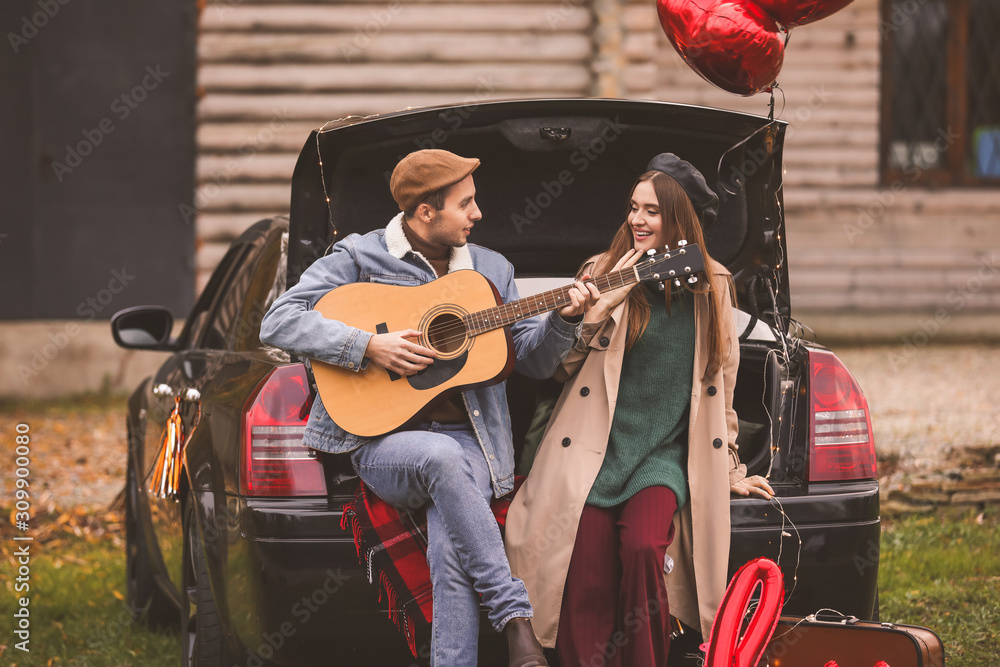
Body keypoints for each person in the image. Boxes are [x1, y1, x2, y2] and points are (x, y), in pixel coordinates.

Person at [258, 149, 597, 667]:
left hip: (476, 444)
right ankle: (515, 619)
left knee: (450, 549)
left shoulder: (491, 269)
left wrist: (564, 322)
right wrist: (366, 346)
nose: (478, 214)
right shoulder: (358, 257)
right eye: (465, 205)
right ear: (424, 212)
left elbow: (528, 359)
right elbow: (278, 322)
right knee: (439, 457)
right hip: (379, 441)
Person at [504, 153, 774, 667]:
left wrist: (730, 464)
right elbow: (555, 371)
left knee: (645, 549)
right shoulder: (599, 273)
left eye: (652, 211)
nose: (637, 220)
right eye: (633, 208)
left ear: (679, 221)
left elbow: (723, 387)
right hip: (594, 448)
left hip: (663, 455)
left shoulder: (712, 286)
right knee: (582, 571)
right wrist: (596, 310)